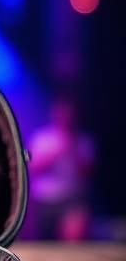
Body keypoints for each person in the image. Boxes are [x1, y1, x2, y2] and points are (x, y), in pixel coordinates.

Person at [28, 98, 95, 241]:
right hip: (45, 199)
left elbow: (87, 173)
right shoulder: (43, 138)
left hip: (72, 198)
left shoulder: (83, 140)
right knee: (44, 241)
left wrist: (73, 148)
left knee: (73, 239)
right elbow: (33, 168)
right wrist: (57, 152)